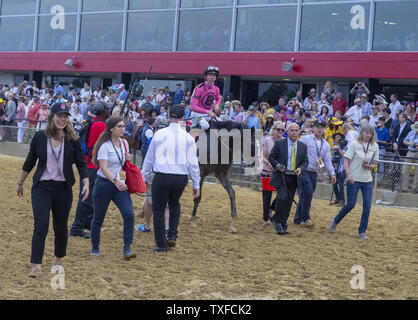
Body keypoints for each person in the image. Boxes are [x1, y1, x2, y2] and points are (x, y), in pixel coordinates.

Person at [16, 102, 89, 277]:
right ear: (51, 117)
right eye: (59, 116)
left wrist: (86, 183)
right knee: (40, 225)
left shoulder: (72, 139)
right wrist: (20, 183)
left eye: (65, 116)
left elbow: (81, 163)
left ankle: (58, 258)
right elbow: (30, 161)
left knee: (61, 226)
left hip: (63, 189)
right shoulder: (40, 137)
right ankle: (36, 264)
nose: (62, 119)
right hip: (42, 187)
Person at [141, 105, 200, 252]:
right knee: (175, 204)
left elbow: (149, 158)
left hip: (162, 176)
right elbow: (193, 163)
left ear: (169, 116)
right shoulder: (188, 137)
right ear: (182, 118)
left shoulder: (159, 134)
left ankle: (161, 243)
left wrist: (144, 176)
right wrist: (196, 184)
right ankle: (172, 235)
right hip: (180, 177)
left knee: (158, 208)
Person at [90, 116, 136, 259]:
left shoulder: (124, 143)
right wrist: (116, 181)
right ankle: (95, 247)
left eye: (123, 126)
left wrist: (128, 158)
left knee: (129, 214)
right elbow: (103, 168)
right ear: (111, 129)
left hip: (119, 185)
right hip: (104, 184)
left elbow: (121, 165)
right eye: (120, 126)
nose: (123, 129)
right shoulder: (104, 146)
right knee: (98, 218)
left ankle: (127, 248)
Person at [69, 101, 112, 239]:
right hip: (92, 165)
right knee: (87, 196)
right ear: (103, 111)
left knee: (90, 195)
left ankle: (86, 223)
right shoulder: (101, 125)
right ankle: (77, 227)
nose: (109, 112)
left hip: (90, 164)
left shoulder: (94, 121)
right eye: (107, 110)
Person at [329, 124, 379, 239]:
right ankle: (336, 220)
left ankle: (362, 231)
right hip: (354, 179)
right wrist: (348, 174)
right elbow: (346, 160)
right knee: (350, 204)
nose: (369, 135)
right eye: (367, 132)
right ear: (362, 133)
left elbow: (374, 165)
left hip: (367, 180)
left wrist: (369, 166)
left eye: (371, 133)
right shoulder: (354, 144)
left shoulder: (375, 146)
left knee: (367, 206)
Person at [294, 121, 336, 227]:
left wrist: (332, 173)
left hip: (314, 172)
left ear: (324, 129)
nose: (320, 129)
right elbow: (297, 151)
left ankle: (298, 218)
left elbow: (327, 160)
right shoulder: (305, 139)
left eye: (322, 128)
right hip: (304, 170)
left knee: (306, 195)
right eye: (318, 127)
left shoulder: (326, 145)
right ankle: (306, 218)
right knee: (307, 193)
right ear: (313, 128)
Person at [268, 123, 308, 235]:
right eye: (292, 130)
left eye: (296, 130)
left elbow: (305, 161)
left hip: (294, 177)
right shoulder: (280, 144)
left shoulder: (302, 146)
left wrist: (300, 168)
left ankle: (283, 222)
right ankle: (277, 220)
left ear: (299, 132)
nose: (294, 132)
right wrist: (278, 165)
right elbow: (271, 157)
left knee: (289, 201)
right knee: (282, 197)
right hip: (281, 175)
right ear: (287, 131)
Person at [261, 121, 285, 226]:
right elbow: (263, 155)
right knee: (266, 196)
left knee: (282, 194)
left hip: (280, 172)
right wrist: (268, 163)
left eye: (282, 130)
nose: (280, 131)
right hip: (267, 171)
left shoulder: (285, 141)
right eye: (278, 129)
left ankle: (271, 208)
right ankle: (266, 218)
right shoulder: (267, 140)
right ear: (273, 130)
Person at [190, 65, 222, 130]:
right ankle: (192, 128)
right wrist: (208, 112)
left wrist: (217, 104)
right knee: (205, 126)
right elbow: (193, 107)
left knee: (221, 123)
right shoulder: (199, 88)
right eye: (210, 75)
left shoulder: (216, 89)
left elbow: (219, 98)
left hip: (208, 114)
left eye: (214, 75)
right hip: (197, 114)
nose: (212, 77)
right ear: (205, 76)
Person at [400, 122, 418, 193]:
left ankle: (414, 188)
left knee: (417, 172)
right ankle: (404, 187)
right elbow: (404, 141)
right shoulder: (411, 132)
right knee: (406, 170)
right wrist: (409, 143)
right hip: (410, 151)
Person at [330, 132, 348, 206]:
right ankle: (337, 198)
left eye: (339, 137)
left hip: (343, 167)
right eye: (336, 137)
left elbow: (344, 154)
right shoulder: (334, 146)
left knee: (340, 184)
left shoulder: (345, 146)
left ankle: (342, 200)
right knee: (334, 183)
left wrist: (339, 149)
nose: (337, 139)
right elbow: (333, 157)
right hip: (336, 167)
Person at [375, 117, 391, 183]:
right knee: (375, 162)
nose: (379, 122)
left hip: (381, 148)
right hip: (375, 148)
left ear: (384, 122)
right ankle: (374, 177)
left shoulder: (386, 131)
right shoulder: (377, 130)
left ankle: (380, 179)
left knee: (380, 164)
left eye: (381, 121)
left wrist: (379, 141)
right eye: (379, 121)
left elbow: (387, 142)